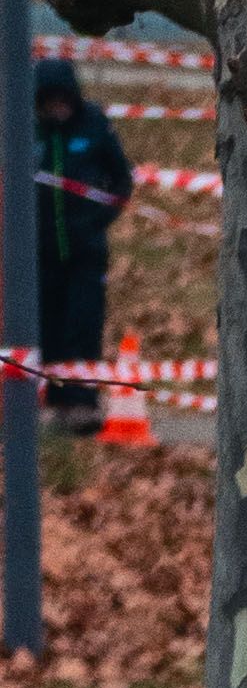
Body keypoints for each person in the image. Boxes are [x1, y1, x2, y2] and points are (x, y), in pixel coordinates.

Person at [30, 51, 134, 433]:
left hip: (86, 253)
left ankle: (82, 405)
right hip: (39, 254)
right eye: (49, 101)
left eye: (62, 100)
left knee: (83, 325)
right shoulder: (28, 131)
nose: (57, 108)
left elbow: (121, 180)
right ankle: (50, 402)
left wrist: (97, 221)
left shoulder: (94, 125)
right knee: (46, 327)